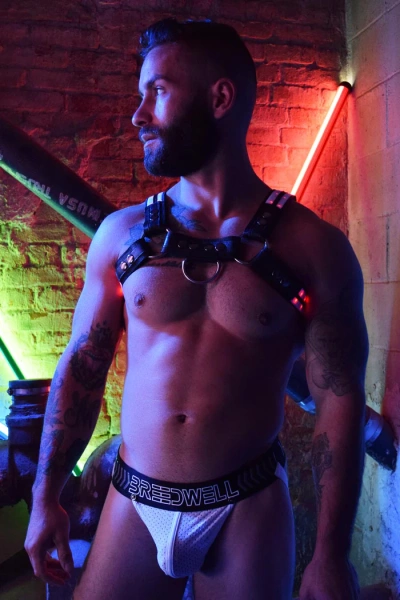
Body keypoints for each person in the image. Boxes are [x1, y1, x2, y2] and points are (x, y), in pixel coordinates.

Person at [25, 18, 368, 600]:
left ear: (220, 98)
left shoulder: (314, 249)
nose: (138, 115)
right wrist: (45, 497)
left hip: (247, 506)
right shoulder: (121, 237)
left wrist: (331, 555)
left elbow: (339, 398)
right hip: (136, 501)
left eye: (157, 91)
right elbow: (81, 369)